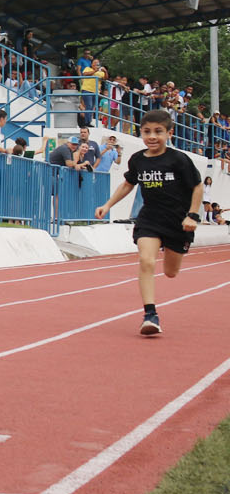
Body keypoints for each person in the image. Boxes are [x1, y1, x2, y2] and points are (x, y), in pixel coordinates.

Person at [95, 109, 203, 336]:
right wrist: (107, 205)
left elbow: (197, 186)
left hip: (178, 222)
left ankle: (170, 248)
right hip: (150, 218)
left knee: (171, 272)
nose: (152, 136)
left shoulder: (179, 159)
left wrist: (192, 215)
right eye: (147, 132)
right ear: (140, 133)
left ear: (169, 133)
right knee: (146, 260)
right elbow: (127, 184)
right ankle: (150, 314)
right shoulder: (138, 160)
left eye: (158, 131)